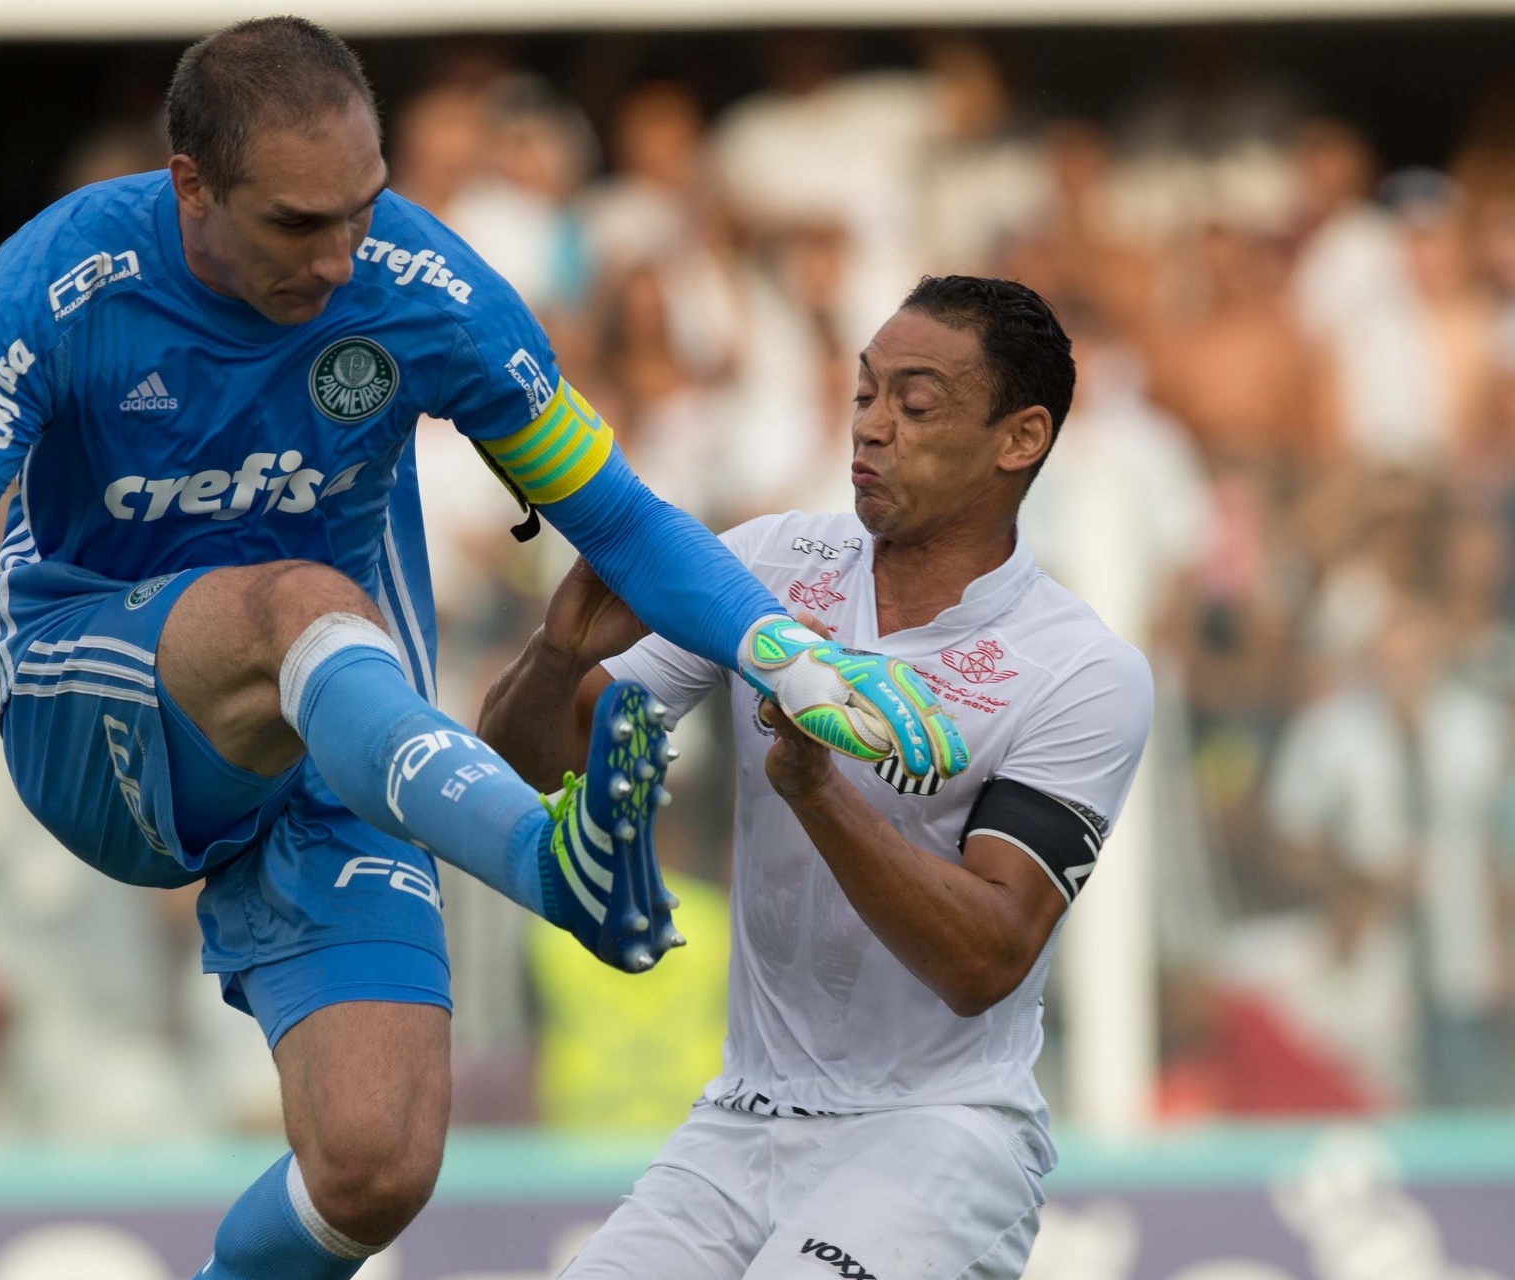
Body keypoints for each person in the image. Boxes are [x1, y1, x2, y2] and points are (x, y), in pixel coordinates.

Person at [0, 19, 969, 1280]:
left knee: (376, 1162)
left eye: (361, 213)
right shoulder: (62, 283)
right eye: (296, 225)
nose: (339, 259)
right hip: (100, 713)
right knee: (298, 598)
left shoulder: (428, 294)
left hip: (349, 738)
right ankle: (547, 864)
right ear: (191, 186)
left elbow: (622, 523)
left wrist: (790, 653)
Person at [481, 277, 1153, 1279]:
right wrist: (555, 651)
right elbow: (542, 757)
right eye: (865, 394)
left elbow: (985, 957)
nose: (873, 428)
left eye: (916, 405)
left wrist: (817, 788)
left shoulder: (1080, 669)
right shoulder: (769, 568)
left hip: (937, 1133)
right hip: (739, 1120)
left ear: (1020, 439)